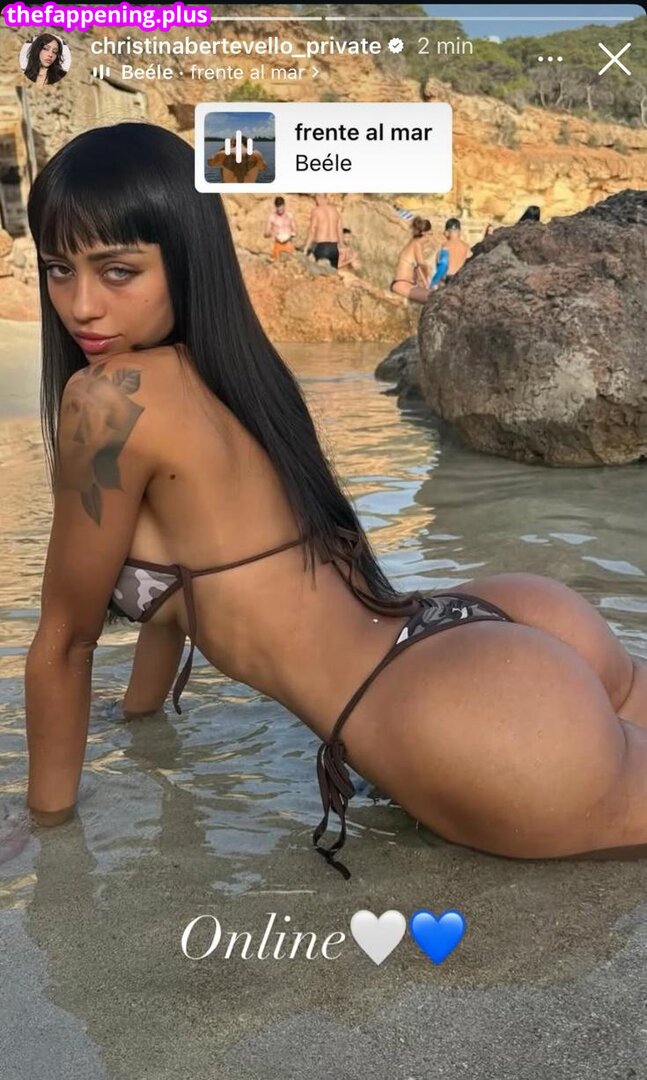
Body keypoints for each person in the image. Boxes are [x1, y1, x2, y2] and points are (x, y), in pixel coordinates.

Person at [24, 122, 647, 881]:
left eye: (117, 271)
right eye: (59, 270)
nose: (82, 304)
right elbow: (171, 605)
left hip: (459, 714)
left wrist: (46, 838)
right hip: (483, 623)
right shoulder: (239, 376)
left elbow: (65, 640)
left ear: (183, 257)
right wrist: (140, 722)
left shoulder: (109, 399)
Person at [390, 217, 432, 304]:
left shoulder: (413, 242)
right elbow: (422, 265)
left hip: (405, 284)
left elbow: (418, 269)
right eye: (430, 234)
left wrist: (426, 284)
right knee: (433, 298)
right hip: (402, 284)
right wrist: (429, 277)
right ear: (424, 233)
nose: (430, 238)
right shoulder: (417, 244)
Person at [303, 194, 344, 268]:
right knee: (333, 273)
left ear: (318, 198)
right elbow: (339, 229)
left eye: (315, 199)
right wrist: (341, 246)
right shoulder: (335, 211)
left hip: (322, 247)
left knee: (320, 273)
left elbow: (312, 230)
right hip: (334, 248)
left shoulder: (316, 211)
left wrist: (306, 248)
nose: (315, 202)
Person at [430, 218, 471, 287]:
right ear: (459, 231)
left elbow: (440, 265)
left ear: (447, 232)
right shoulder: (466, 247)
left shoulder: (444, 246)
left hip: (446, 280)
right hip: (460, 280)